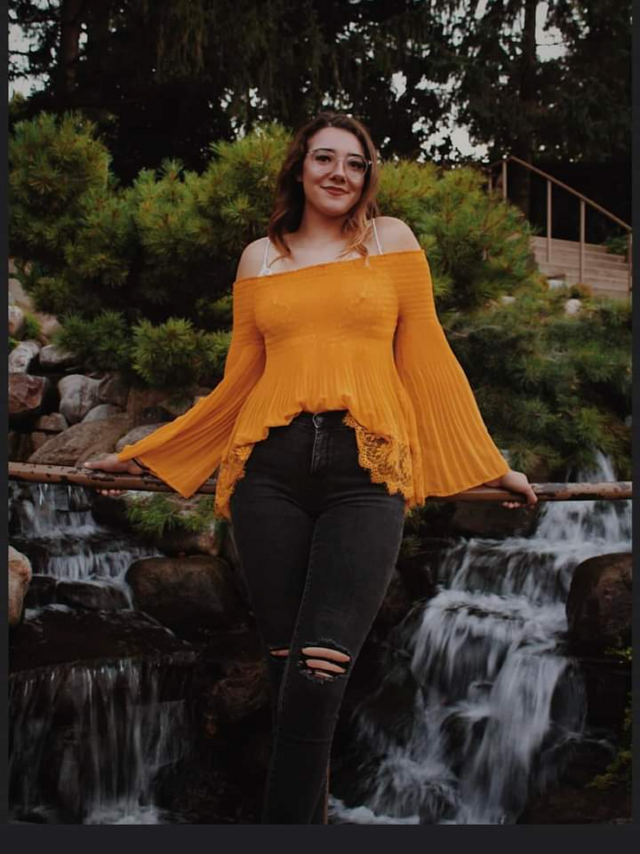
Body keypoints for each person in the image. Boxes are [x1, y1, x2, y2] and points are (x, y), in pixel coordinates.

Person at [84, 111, 537, 824]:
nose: (339, 174)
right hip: (269, 475)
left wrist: (490, 464)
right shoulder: (258, 259)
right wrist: (145, 456)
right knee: (283, 667)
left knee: (320, 671)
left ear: (367, 176)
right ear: (299, 167)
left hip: (365, 473)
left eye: (355, 163)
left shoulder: (390, 241)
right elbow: (239, 381)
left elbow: (428, 357)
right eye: (325, 158)